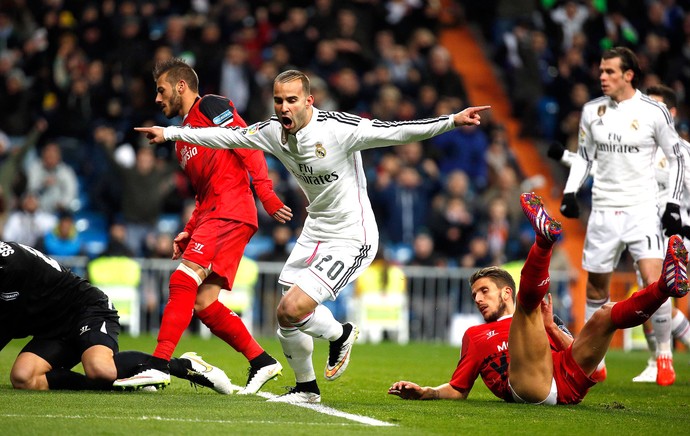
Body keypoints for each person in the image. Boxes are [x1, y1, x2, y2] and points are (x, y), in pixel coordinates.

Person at [134, 68, 490, 403]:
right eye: (278, 100)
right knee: (284, 316)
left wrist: (451, 120)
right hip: (315, 228)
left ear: (309, 101)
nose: (284, 107)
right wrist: (171, 133)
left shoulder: (338, 129)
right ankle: (306, 387)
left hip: (352, 234)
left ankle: (341, 334)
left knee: (294, 308)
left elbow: (397, 130)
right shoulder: (274, 131)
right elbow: (231, 136)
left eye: (291, 100)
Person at [388, 193, 689, 405]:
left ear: (507, 292)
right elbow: (458, 388)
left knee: (605, 314)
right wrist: (425, 391)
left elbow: (593, 368)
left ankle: (665, 287)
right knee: (527, 310)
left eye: (484, 291)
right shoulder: (476, 335)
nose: (478, 299)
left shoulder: (539, 321)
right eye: (475, 294)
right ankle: (543, 243)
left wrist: (553, 328)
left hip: (569, 385)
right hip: (530, 388)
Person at [115, 58, 291, 395]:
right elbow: (203, 194)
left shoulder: (210, 106)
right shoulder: (182, 141)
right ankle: (261, 360)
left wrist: (265, 192)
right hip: (217, 212)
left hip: (231, 209)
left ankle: (157, 365)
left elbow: (246, 141)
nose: (156, 98)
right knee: (204, 304)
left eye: (161, 90)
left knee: (182, 279)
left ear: (181, 86)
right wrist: (190, 229)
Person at [557, 47, 685, 385]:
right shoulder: (591, 112)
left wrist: (671, 204)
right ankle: (593, 359)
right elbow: (585, 157)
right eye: (601, 71)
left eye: (610, 71)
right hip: (602, 211)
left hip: (641, 210)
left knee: (655, 280)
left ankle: (663, 357)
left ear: (629, 75)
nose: (603, 77)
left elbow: (676, 158)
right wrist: (571, 191)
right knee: (597, 286)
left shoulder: (654, 111)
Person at [0, 240, 232, 393]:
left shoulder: (11, 266)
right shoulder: (7, 262)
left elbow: (7, 324)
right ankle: (127, 381)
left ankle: (182, 365)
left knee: (100, 369)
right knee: (23, 378)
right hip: (52, 326)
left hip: (85, 310)